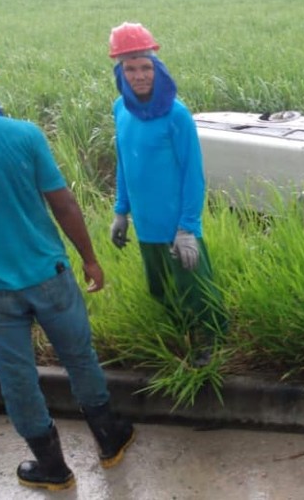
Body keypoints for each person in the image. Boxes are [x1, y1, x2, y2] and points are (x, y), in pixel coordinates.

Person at [0, 27, 133, 490]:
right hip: (49, 276)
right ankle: (109, 441)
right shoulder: (23, 134)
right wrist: (90, 259)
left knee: (16, 380)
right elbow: (64, 203)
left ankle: (53, 469)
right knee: (79, 358)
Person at [107, 22, 228, 367]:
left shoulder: (177, 115)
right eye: (131, 69)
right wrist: (121, 212)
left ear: (157, 68)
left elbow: (193, 174)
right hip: (146, 224)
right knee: (160, 288)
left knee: (196, 289)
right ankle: (182, 336)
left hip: (176, 223)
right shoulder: (121, 109)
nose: (139, 76)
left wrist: (187, 227)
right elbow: (125, 162)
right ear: (121, 72)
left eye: (146, 68)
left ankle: (213, 342)